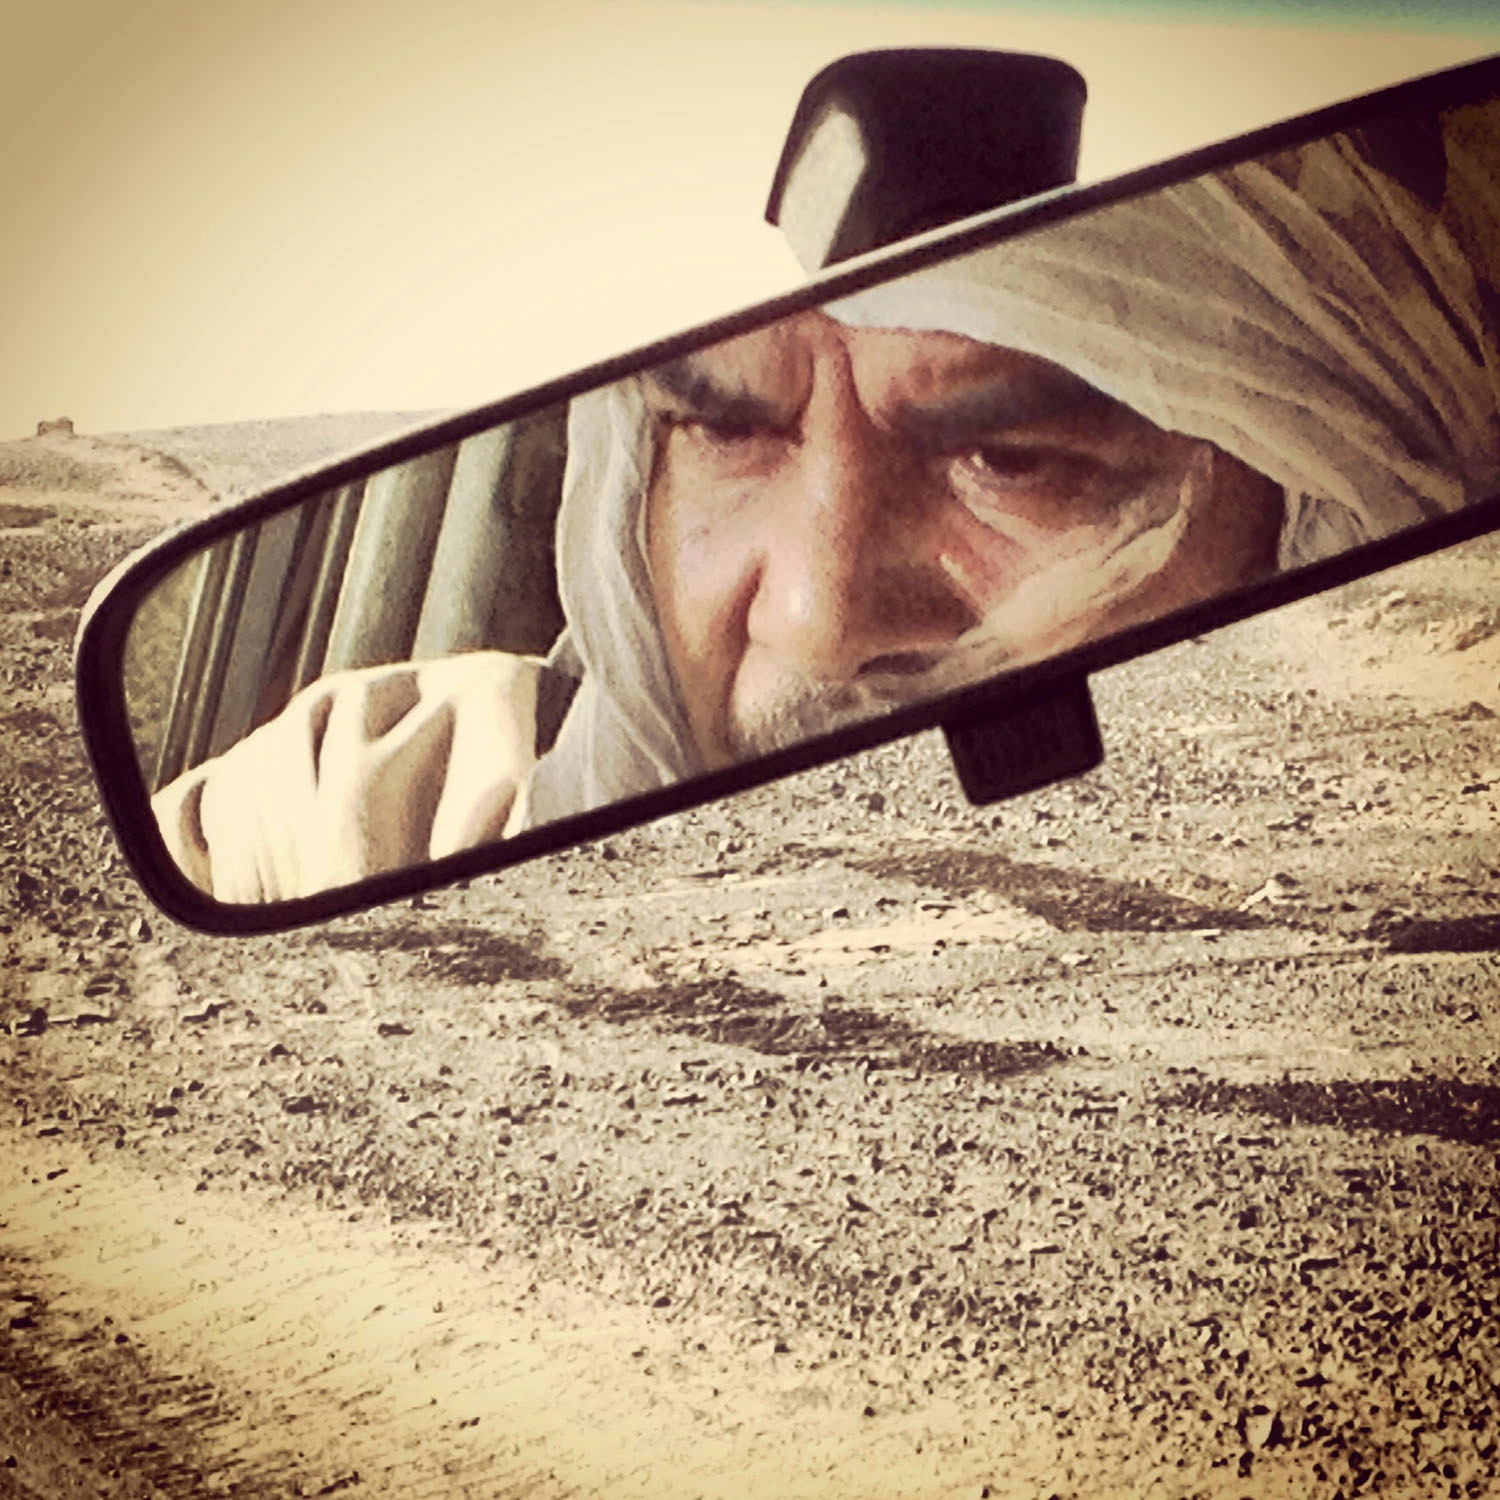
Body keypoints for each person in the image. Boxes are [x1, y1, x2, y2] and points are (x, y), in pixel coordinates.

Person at [155, 104, 1500, 897]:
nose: (815, 617)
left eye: (1011, 457)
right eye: (726, 429)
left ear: (1331, 499)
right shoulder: (387, 801)